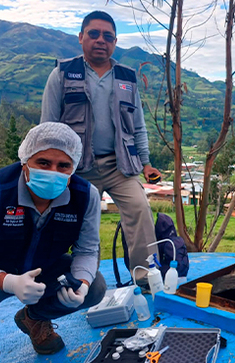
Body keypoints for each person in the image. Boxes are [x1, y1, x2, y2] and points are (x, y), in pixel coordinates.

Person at [0, 122, 106, 363]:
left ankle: (33, 318)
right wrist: (9, 282)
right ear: (25, 162)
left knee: (95, 289)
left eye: (63, 165)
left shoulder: (86, 197)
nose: (53, 171)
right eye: (43, 163)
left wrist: (82, 284)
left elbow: (87, 250)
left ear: (73, 167)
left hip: (46, 266)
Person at [40, 11, 162, 285]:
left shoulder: (126, 78)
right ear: (81, 37)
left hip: (120, 166)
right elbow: (47, 127)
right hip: (79, 169)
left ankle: (145, 278)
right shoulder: (62, 74)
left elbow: (138, 126)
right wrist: (52, 169)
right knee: (83, 224)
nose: (100, 41)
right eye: (93, 34)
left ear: (115, 42)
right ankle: (83, 282)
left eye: (107, 36)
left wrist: (146, 163)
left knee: (140, 209)